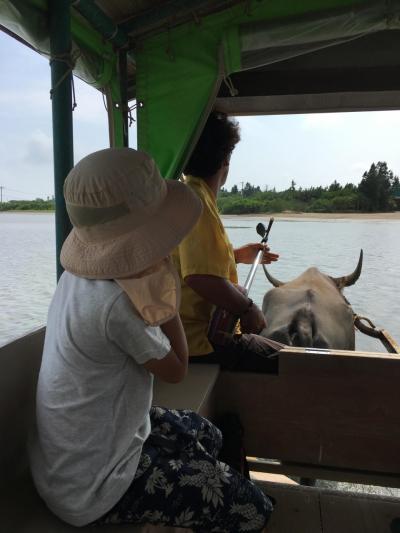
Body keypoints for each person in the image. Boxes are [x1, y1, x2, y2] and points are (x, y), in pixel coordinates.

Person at [29, 148, 273, 531]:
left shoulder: (77, 279)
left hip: (79, 455)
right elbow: (177, 369)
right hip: (94, 487)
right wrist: (167, 299)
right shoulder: (115, 303)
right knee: (254, 510)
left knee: (208, 434)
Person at [172, 111, 280, 372]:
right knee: (287, 361)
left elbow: (190, 260)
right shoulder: (197, 201)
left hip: (185, 335)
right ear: (226, 159)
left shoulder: (187, 193)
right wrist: (248, 308)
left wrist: (236, 255)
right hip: (199, 342)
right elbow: (199, 277)